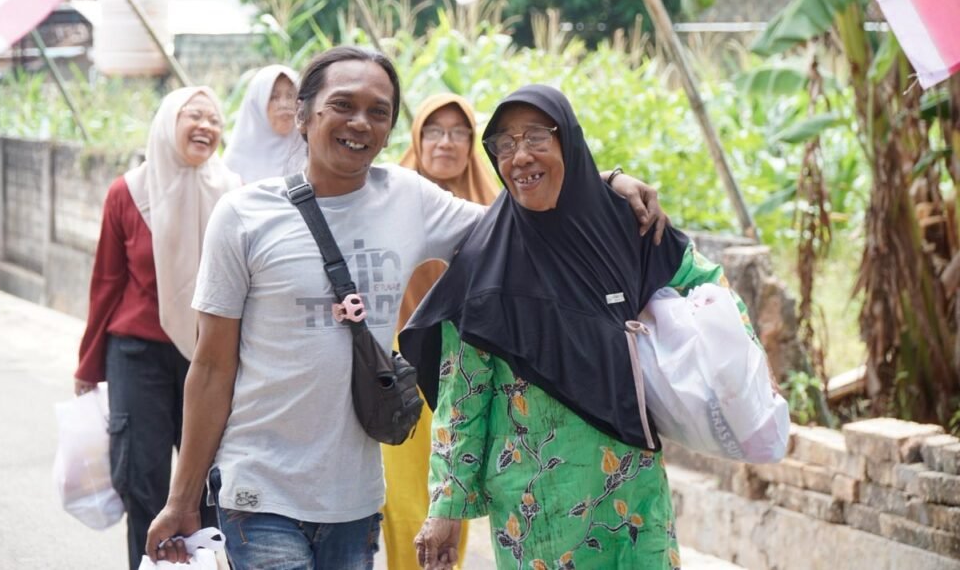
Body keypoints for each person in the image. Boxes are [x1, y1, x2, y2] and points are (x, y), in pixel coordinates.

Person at [145, 48, 665, 568]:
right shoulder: (242, 216)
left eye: (378, 111)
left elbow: (520, 226)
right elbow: (211, 367)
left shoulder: (408, 199)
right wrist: (182, 498)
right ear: (304, 115)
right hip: (257, 491)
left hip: (356, 498)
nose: (360, 122)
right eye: (343, 105)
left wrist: (606, 181)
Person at [403, 85, 763, 570]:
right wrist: (446, 508)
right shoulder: (487, 259)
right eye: (504, 145)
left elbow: (708, 284)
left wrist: (740, 369)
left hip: (633, 489)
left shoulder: (626, 225)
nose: (520, 156)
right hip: (537, 504)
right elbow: (463, 395)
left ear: (567, 141)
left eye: (535, 137)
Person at [74, 86, 241, 570]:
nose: (206, 126)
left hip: (211, 354)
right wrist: (89, 364)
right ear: (169, 122)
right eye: (194, 115)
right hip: (138, 354)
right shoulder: (129, 191)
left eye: (214, 118)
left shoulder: (234, 193)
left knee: (211, 485)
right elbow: (106, 280)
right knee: (142, 483)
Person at [382, 93, 500, 569]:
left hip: (469, 369)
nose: (445, 142)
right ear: (417, 136)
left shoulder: (494, 207)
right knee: (406, 496)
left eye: (458, 132)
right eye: (433, 130)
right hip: (401, 363)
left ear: (472, 142)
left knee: (453, 489)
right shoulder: (389, 198)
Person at [222, 64, 306, 183]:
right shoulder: (235, 162)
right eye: (273, 97)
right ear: (256, 104)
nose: (284, 104)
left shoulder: (314, 153)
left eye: (290, 96)